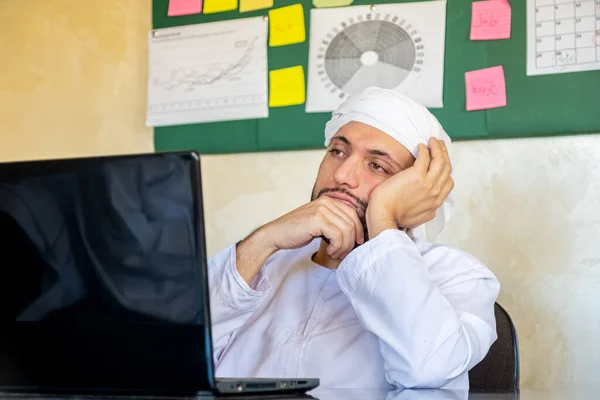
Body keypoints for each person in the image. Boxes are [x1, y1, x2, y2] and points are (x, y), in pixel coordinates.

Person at [208, 87, 500, 390]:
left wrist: (383, 219)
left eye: (377, 165)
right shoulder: (264, 261)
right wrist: (264, 240)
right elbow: (169, 352)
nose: (343, 175)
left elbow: (429, 370)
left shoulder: (456, 275)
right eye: (338, 151)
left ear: (414, 190)